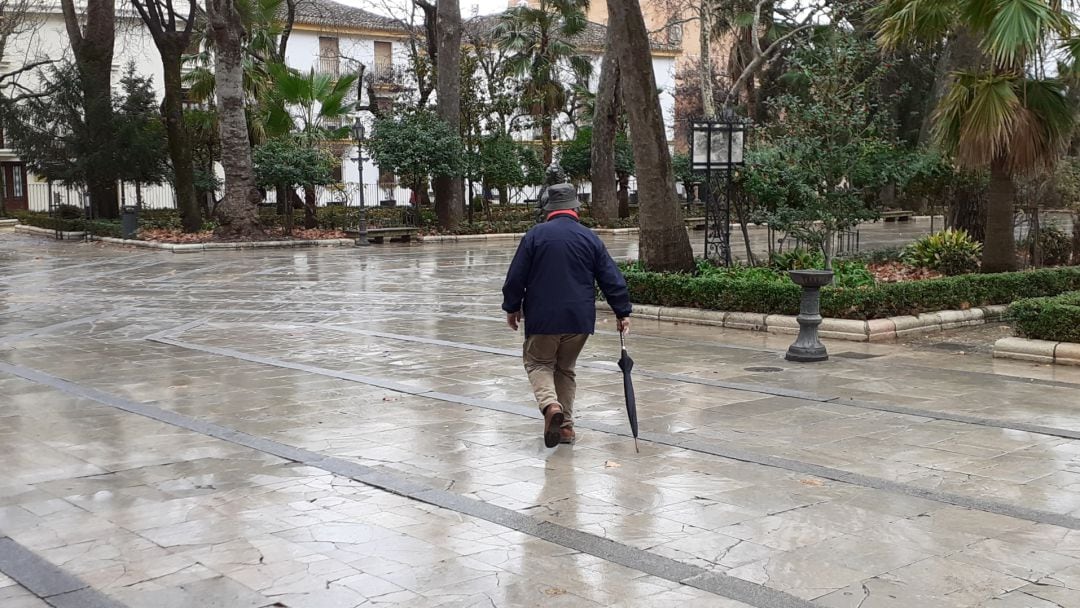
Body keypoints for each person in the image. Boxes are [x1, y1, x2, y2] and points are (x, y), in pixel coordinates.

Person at [501, 183, 632, 448]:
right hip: (579, 320)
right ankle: (567, 428)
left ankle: (550, 406)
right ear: (575, 209)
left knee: (538, 363)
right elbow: (611, 277)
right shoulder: (589, 237)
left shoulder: (535, 236)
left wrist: (511, 307)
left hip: (543, 318)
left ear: (548, 210)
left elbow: (516, 277)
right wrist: (622, 311)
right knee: (565, 369)